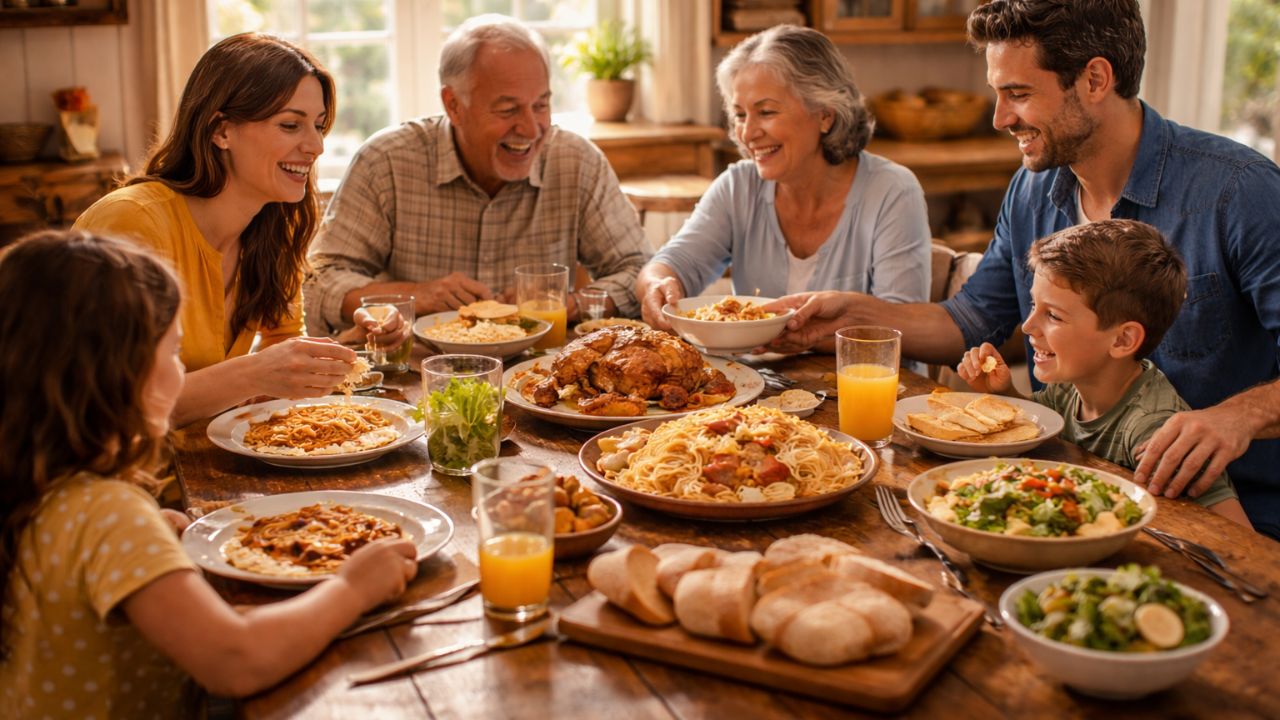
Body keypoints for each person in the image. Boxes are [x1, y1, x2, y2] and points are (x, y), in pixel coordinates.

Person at [767, 0, 1280, 537]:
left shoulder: (1239, 192)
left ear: (1095, 80)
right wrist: (851, 316)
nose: (1000, 118)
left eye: (1018, 93)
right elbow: (972, 319)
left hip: (1230, 521)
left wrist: (1236, 418)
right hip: (1063, 498)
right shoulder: (1032, 189)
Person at [0, 230, 417, 717]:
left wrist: (148, 537)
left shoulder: (41, 489)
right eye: (173, 354)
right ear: (119, 374)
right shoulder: (106, 513)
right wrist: (353, 588)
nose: (181, 374)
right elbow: (235, 660)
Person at [74, 33, 404, 427]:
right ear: (221, 131)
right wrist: (255, 373)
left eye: (318, 126)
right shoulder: (132, 223)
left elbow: (281, 344)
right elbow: (118, 407)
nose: (316, 146)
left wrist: (347, 349)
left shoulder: (275, 225)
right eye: (290, 125)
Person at [304, 14, 652, 335]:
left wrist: (567, 303)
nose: (531, 128)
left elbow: (639, 271)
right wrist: (416, 296)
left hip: (544, 371)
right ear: (454, 105)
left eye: (541, 105)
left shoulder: (577, 161)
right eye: (508, 109)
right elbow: (320, 283)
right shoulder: (386, 162)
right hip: (418, 370)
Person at [956, 221, 1250, 527]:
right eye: (1033, 304)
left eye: (1053, 315)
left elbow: (1239, 540)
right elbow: (1036, 428)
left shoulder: (1152, 429)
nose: (1028, 326)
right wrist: (1003, 393)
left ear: (1122, 340)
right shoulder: (1069, 388)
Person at [635, 24, 929, 331]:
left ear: (825, 115)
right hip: (751, 366)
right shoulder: (738, 187)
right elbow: (668, 265)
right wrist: (658, 285)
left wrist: (812, 336)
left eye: (766, 112)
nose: (748, 133)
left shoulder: (892, 191)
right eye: (740, 115)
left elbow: (903, 329)